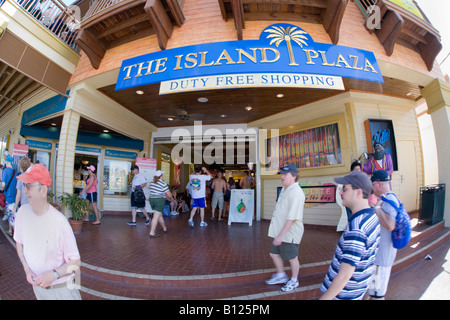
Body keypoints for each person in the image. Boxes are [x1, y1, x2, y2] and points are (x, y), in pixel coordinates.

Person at [13, 164, 82, 300]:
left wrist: (54, 275)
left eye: (28, 186)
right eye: (24, 185)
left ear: (43, 190)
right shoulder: (22, 213)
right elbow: (19, 243)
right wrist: (27, 270)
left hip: (61, 290)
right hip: (37, 288)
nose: (25, 191)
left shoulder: (60, 222)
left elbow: (76, 262)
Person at [320, 171, 380, 300]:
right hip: (355, 292)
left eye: (345, 189)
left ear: (358, 192)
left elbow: (344, 275)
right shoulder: (372, 217)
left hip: (342, 295)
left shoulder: (357, 229)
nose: (340, 192)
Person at [265, 164, 305, 292]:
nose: (282, 177)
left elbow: (292, 218)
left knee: (292, 258)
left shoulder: (296, 193)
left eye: (285, 174)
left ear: (294, 176)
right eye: (281, 174)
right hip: (280, 230)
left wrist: (281, 236)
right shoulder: (285, 188)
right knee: (273, 253)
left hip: (289, 232)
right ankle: (281, 275)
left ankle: (294, 280)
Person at [366, 170, 398, 300]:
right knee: (372, 292)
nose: (371, 188)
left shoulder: (389, 199)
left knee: (377, 296)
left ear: (379, 184)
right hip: (379, 258)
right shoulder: (385, 199)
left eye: (372, 184)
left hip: (382, 259)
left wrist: (377, 208)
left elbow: (391, 225)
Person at [148, 170, 174, 238]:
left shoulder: (152, 182)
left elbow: (149, 187)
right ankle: (152, 232)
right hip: (159, 200)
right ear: (161, 176)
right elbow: (169, 194)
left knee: (158, 215)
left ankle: (164, 228)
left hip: (152, 200)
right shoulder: (163, 184)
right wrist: (172, 199)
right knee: (156, 216)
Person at [12, 157, 32, 224]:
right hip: (32, 205)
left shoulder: (20, 178)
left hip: (24, 206)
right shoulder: (32, 177)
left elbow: (18, 194)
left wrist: (15, 207)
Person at [2, 155, 17, 237]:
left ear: (7, 162)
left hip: (8, 197)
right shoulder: (15, 172)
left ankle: (16, 234)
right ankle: (10, 230)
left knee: (11, 215)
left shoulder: (6, 171)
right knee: (12, 214)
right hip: (15, 197)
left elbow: (3, 185)